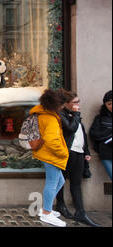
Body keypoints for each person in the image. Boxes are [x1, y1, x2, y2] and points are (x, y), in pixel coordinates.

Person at [55, 89, 100, 227]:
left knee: (76, 182)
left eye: (78, 101)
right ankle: (61, 205)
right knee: (61, 180)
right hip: (68, 152)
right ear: (65, 104)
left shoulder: (74, 115)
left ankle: (80, 212)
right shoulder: (61, 115)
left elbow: (82, 134)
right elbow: (71, 129)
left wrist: (86, 151)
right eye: (74, 102)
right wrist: (75, 114)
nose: (78, 104)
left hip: (79, 152)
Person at [30, 89, 69, 227]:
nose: (63, 107)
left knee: (60, 180)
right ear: (56, 104)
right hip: (51, 155)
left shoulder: (42, 113)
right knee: (52, 183)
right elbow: (52, 140)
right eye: (62, 105)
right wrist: (63, 153)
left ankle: (46, 208)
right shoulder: (50, 118)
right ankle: (47, 213)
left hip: (45, 153)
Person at [89, 90, 112, 180]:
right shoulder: (100, 118)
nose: (111, 106)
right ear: (105, 105)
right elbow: (94, 134)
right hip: (106, 153)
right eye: (109, 104)